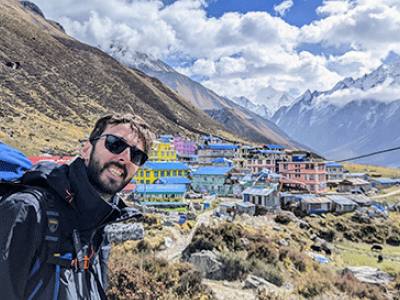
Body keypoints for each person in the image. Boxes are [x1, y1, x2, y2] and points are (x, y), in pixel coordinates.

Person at [0, 113, 155, 300]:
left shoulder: (97, 228)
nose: (125, 157)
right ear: (86, 149)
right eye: (115, 144)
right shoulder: (27, 211)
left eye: (137, 155)